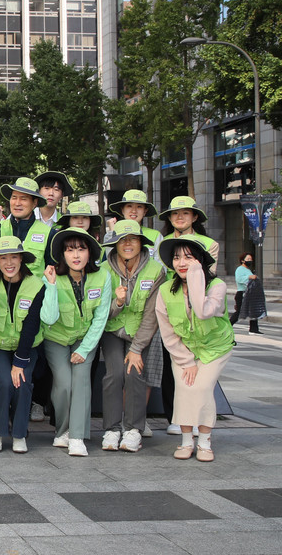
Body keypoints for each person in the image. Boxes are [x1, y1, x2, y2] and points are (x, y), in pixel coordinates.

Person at [155, 235, 235, 462]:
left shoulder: (217, 286)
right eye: (177, 257)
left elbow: (202, 311)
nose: (181, 262)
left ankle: (205, 443)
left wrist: (196, 277)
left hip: (215, 348)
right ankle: (186, 440)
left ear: (200, 260)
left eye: (189, 257)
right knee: (184, 388)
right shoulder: (164, 291)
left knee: (201, 387)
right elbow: (167, 332)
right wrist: (187, 360)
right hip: (184, 349)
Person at [40, 227, 112, 457]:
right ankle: (63, 431)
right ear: (62, 254)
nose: (76, 255)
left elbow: (101, 318)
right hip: (56, 338)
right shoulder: (51, 276)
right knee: (64, 384)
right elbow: (48, 318)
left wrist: (85, 348)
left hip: (85, 338)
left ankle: (77, 436)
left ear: (90, 252)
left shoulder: (103, 276)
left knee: (81, 381)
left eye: (81, 249)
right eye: (70, 250)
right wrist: (50, 286)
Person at [100, 220, 166, 453]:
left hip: (141, 332)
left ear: (141, 243)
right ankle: (111, 428)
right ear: (115, 244)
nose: (128, 244)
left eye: (133, 239)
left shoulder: (156, 271)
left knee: (135, 372)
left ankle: (133, 429)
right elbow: (99, 313)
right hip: (112, 331)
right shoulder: (103, 270)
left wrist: (137, 348)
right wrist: (117, 302)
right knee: (115, 373)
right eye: (122, 240)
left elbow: (152, 315)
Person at [0, 237, 47, 453]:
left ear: (21, 259)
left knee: (22, 382)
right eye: (3, 258)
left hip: (26, 347)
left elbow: (32, 325)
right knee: (5, 382)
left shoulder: (36, 285)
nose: (9, 262)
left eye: (14, 257)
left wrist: (20, 361)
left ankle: (19, 433)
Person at [158, 195, 219, 435]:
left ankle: (198, 420)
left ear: (194, 216)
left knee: (201, 371)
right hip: (171, 307)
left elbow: (208, 276)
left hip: (198, 310)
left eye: (185, 213)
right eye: (175, 213)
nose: (180, 217)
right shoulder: (162, 243)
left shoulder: (208, 243)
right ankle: (175, 417)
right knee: (171, 364)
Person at [0, 177, 55, 279]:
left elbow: (51, 272)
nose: (17, 203)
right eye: (14, 197)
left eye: (24, 199)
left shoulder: (48, 233)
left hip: (34, 293)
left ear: (34, 203)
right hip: (1, 293)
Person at [107, 189, 162, 258]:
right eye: (129, 206)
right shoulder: (110, 234)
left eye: (139, 206)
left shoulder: (155, 235)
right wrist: (112, 233)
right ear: (122, 210)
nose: (134, 211)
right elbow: (109, 262)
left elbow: (160, 265)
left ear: (145, 211)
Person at [230, 252, 261, 334]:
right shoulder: (240, 269)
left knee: (253, 311)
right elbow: (239, 279)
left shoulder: (248, 270)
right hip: (242, 293)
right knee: (239, 312)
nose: (250, 261)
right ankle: (228, 325)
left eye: (251, 259)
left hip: (249, 293)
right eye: (248, 259)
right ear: (242, 260)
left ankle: (254, 329)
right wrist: (249, 277)